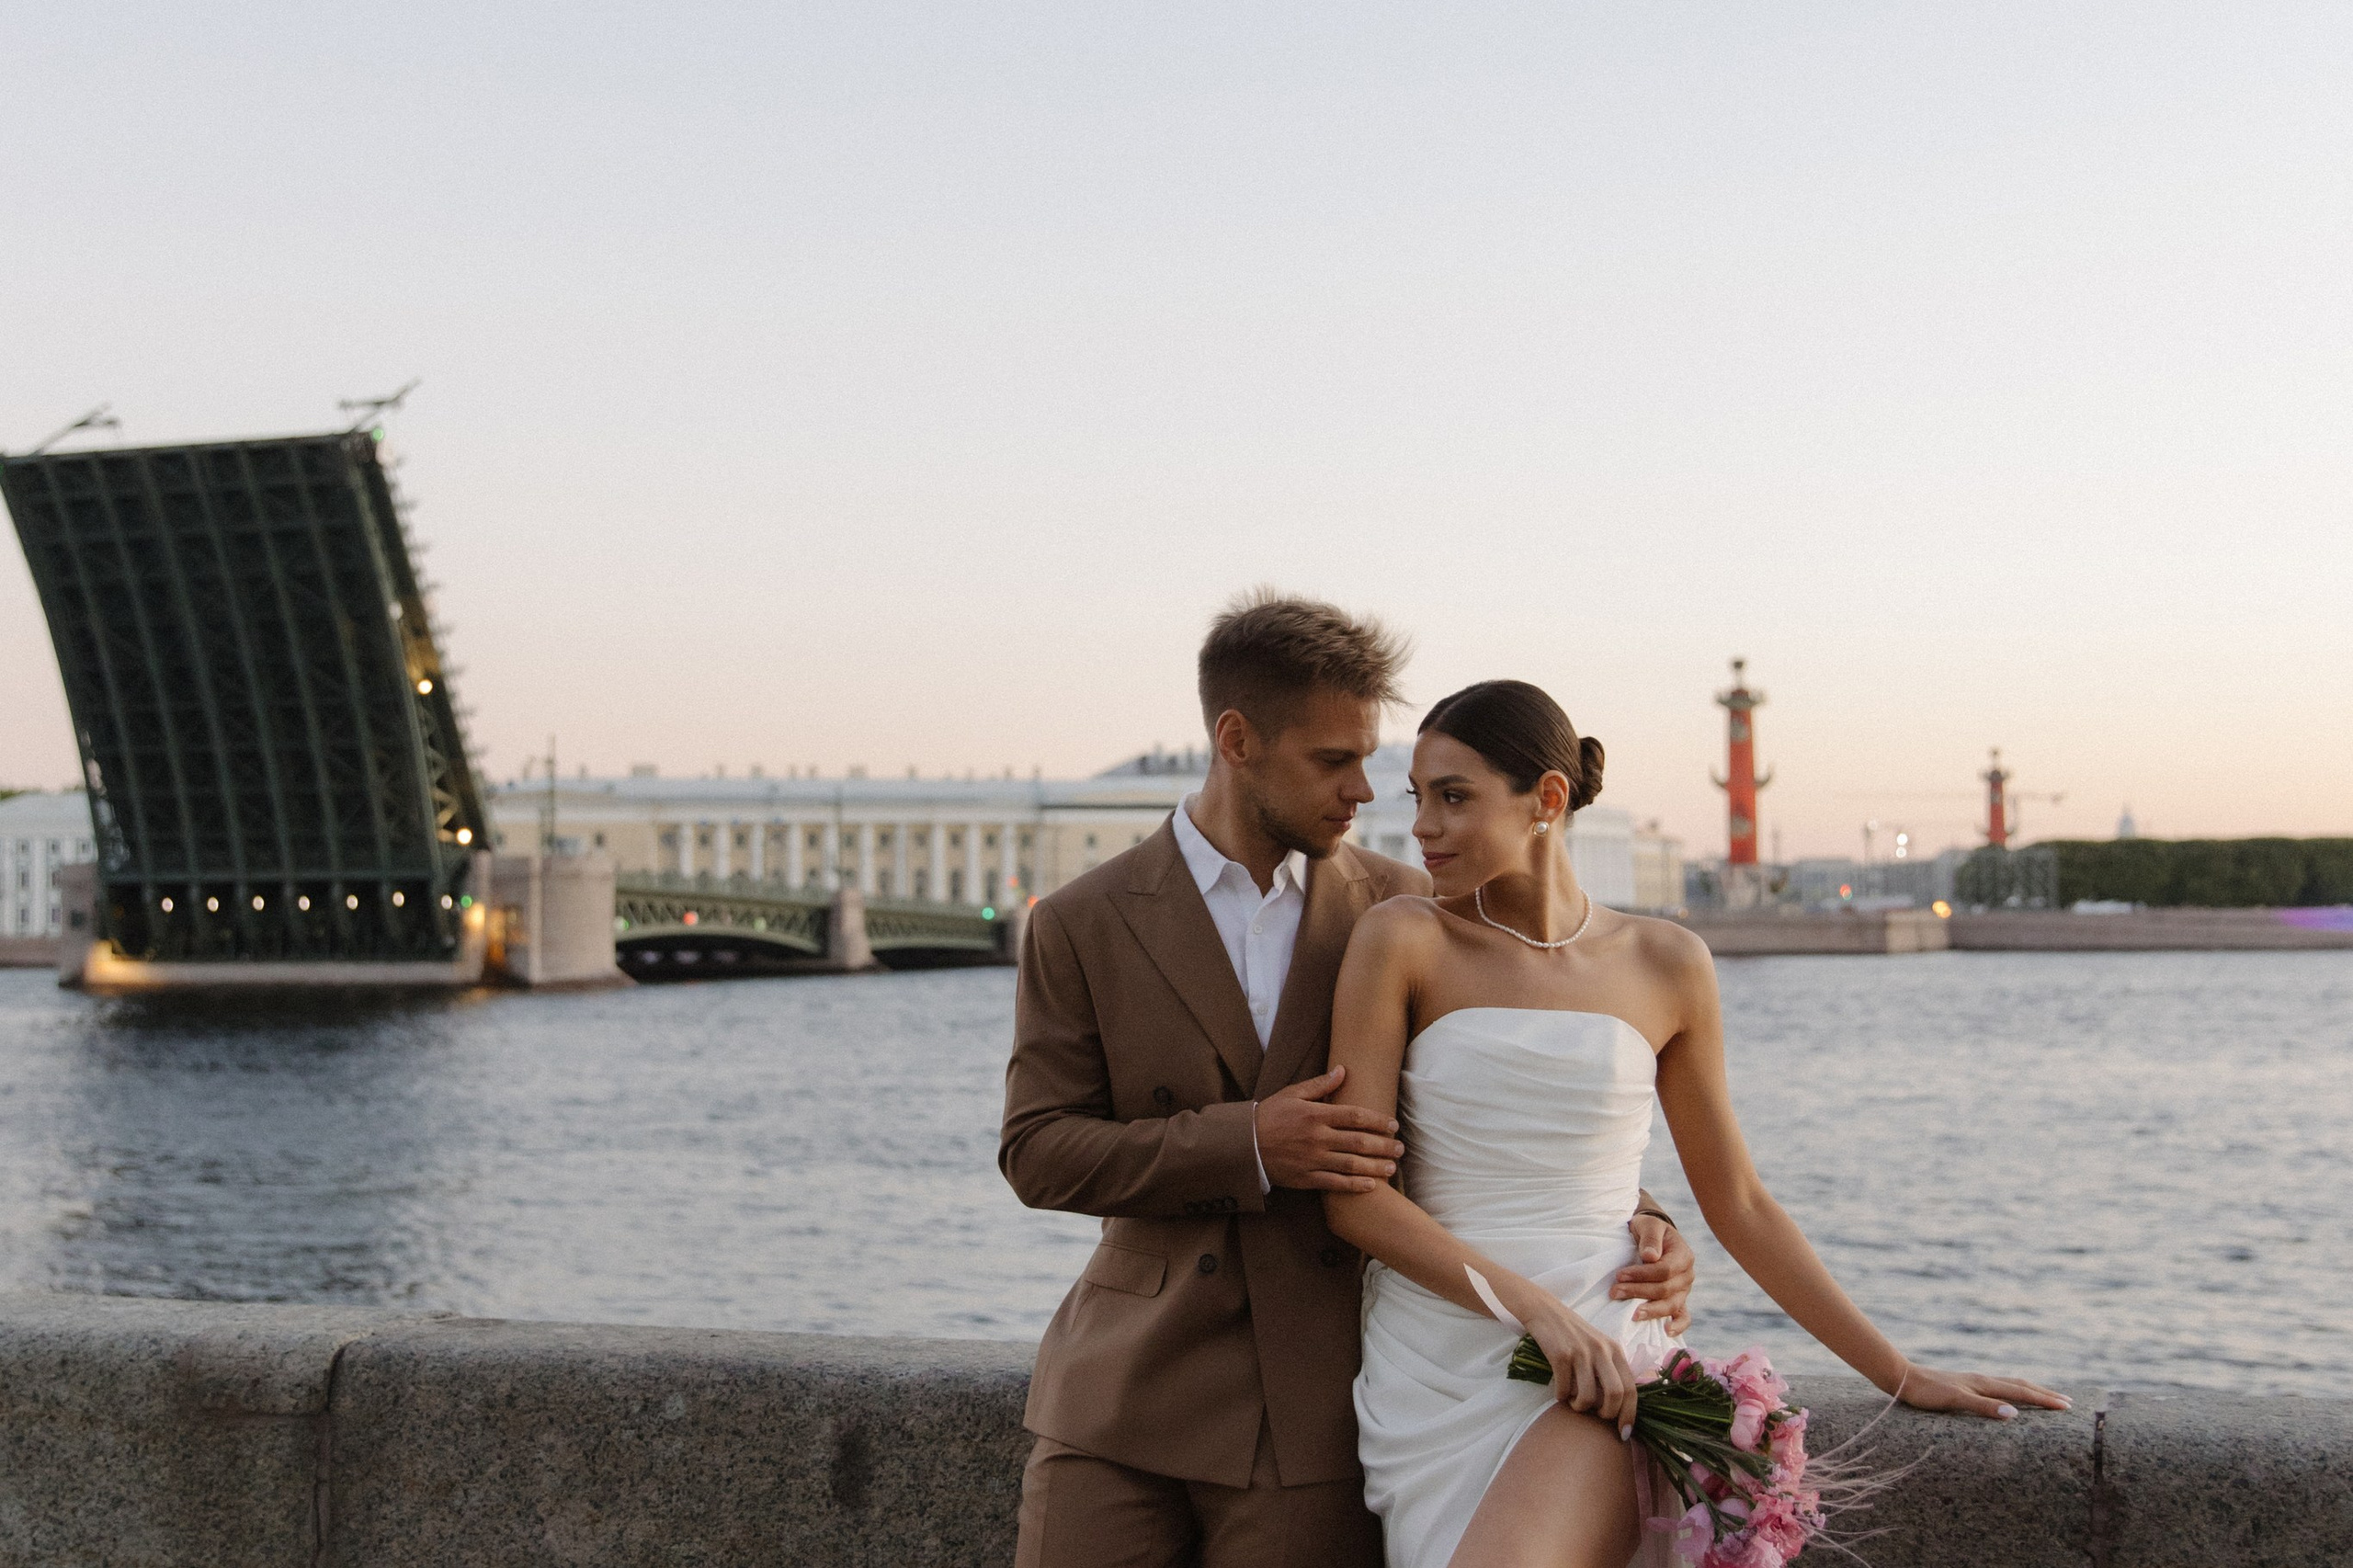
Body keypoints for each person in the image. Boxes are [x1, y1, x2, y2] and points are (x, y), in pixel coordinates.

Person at [1000, 598, 1699, 1568]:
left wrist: (1643, 1214)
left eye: (1370, 759)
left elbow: (1516, 1086)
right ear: (1235, 740)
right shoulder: (1080, 919)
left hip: (1319, 1404)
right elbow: (1035, 1148)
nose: (1367, 793)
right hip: (1122, 1391)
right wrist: (1248, 1143)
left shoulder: (1409, 909)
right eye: (1334, 761)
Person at [1326, 679, 2072, 1568]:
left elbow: (1741, 1203)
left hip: (1605, 1352)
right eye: (1421, 798)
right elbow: (1354, 1199)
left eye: (1455, 797)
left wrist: (1899, 1372)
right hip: (1441, 1352)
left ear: (1547, 800)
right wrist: (1536, 1313)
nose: (1423, 827)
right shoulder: (1401, 939)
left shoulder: (1666, 961)